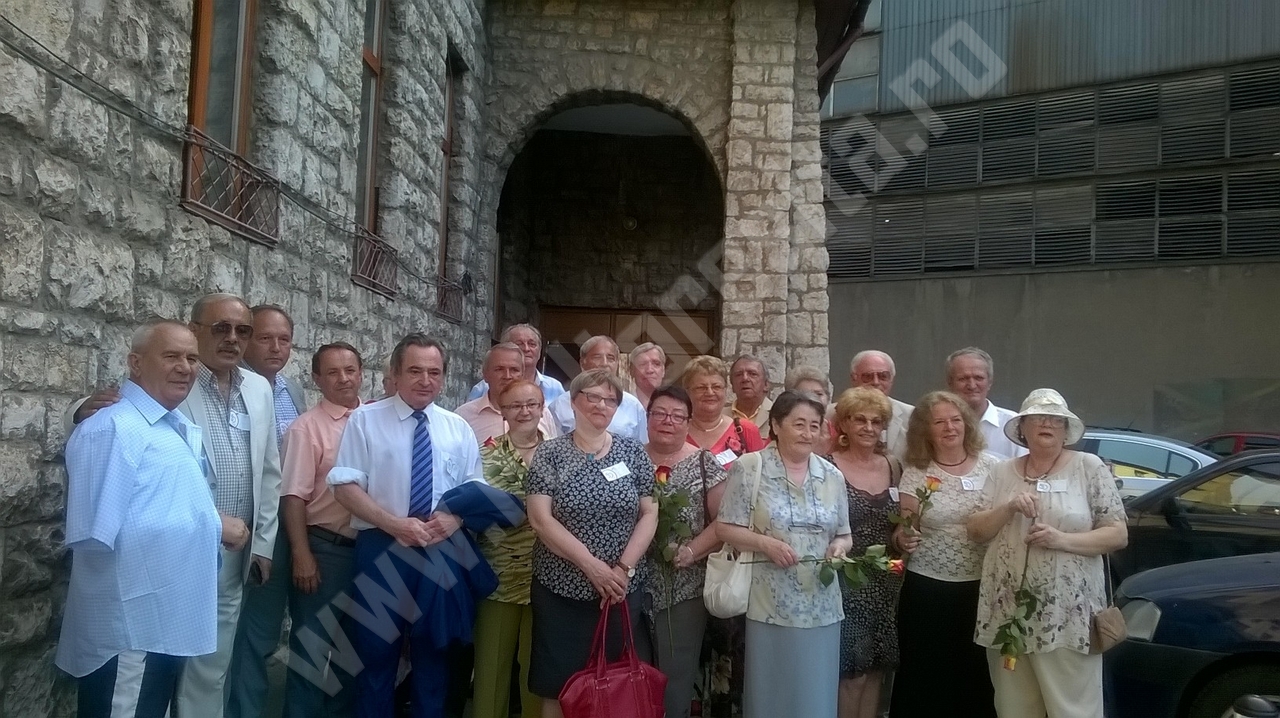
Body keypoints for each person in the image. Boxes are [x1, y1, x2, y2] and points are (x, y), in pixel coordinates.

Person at [64, 294, 284, 718]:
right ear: (196, 330)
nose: (232, 339)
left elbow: (269, 471)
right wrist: (214, 524)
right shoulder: (142, 408)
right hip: (144, 602)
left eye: (243, 330)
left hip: (219, 564)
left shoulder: (243, 393)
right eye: (220, 328)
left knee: (204, 667)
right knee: (139, 690)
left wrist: (260, 541)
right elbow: (104, 521)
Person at [327, 333, 485, 718]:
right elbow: (345, 487)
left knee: (434, 657)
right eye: (415, 371)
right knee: (375, 656)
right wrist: (395, 525)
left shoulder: (457, 428)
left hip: (441, 552)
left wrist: (454, 518)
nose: (425, 380)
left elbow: (474, 488)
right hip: (383, 548)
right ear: (395, 374)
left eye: (434, 372)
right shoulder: (365, 420)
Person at [967, 389, 1127, 718]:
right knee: (1013, 709)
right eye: (1038, 417)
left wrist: (1061, 539)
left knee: (1073, 710)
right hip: (1007, 612)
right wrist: (1009, 506)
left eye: (1056, 419)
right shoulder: (1001, 472)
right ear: (1022, 428)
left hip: (1067, 614)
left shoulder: (1088, 467)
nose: (1047, 424)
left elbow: (1118, 534)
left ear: (1066, 431)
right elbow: (976, 531)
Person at [525, 369, 658, 718]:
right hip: (560, 591)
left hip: (618, 592)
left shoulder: (633, 453)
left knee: (614, 681)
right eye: (593, 397)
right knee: (558, 684)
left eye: (610, 399)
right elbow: (540, 519)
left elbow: (649, 514)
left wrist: (622, 569)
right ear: (573, 402)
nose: (602, 405)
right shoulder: (550, 454)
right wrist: (592, 566)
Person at [716, 390, 853, 718]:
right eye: (799, 424)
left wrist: (839, 549)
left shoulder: (832, 475)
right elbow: (725, 528)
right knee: (773, 693)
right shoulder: (751, 467)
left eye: (814, 426)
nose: (807, 433)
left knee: (815, 693)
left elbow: (844, 534)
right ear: (776, 425)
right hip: (771, 603)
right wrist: (766, 544)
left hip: (822, 604)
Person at [889, 391, 997, 718]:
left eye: (955, 420)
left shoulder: (994, 467)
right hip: (928, 588)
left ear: (967, 424)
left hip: (980, 585)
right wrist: (903, 539)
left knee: (976, 673)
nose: (950, 428)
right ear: (926, 430)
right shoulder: (917, 471)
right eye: (939, 422)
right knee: (926, 674)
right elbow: (904, 529)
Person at [275, 342, 365, 717]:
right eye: (332, 372)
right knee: (312, 650)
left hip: (369, 550)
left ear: (361, 373)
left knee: (354, 653)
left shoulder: (374, 420)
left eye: (350, 370)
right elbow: (293, 496)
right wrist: (302, 554)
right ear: (316, 379)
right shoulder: (306, 429)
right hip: (326, 551)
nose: (343, 378)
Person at [226, 303, 307, 718]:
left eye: (284, 339)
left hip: (297, 527)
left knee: (277, 630)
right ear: (246, 340)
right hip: (255, 530)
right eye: (265, 338)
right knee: (253, 634)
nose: (276, 347)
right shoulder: (229, 385)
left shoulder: (292, 391)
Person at [643, 385, 728, 718]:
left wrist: (692, 550)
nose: (668, 421)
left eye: (678, 416)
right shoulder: (629, 458)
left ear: (689, 422)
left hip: (684, 584)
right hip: (629, 583)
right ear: (647, 417)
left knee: (674, 674)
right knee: (633, 669)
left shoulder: (705, 463)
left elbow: (724, 522)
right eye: (660, 413)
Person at [472, 379, 547, 718]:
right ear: (502, 411)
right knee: (491, 669)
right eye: (515, 405)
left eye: (531, 404)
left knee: (538, 671)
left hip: (549, 577)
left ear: (542, 408)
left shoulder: (561, 455)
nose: (524, 411)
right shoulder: (482, 455)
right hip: (498, 576)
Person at [825, 388, 902, 718]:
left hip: (886, 582)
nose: (869, 427)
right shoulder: (827, 466)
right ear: (844, 424)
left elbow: (900, 523)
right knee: (852, 674)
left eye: (876, 421)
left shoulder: (894, 466)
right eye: (860, 420)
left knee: (876, 671)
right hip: (846, 581)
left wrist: (905, 536)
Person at [545, 336, 647, 443]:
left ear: (617, 364)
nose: (604, 363)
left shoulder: (633, 406)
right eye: (597, 357)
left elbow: (643, 446)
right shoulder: (560, 405)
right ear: (582, 363)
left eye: (611, 358)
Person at [456, 343, 557, 444]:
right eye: (499, 369)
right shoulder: (464, 417)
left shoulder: (542, 413)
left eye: (514, 370)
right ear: (485, 374)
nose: (507, 376)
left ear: (522, 374)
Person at [682, 355, 768, 467]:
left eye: (716, 387)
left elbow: (761, 473)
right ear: (687, 392)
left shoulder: (746, 431)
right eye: (701, 388)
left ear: (725, 390)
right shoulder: (677, 430)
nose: (710, 393)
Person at [946, 347, 1026, 460]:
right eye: (963, 378)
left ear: (990, 382)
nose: (972, 385)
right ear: (950, 383)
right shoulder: (936, 425)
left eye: (978, 378)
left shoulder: (1013, 425)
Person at [468, 324, 566, 403]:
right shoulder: (484, 388)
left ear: (540, 350)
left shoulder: (555, 387)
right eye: (519, 344)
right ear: (505, 348)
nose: (526, 349)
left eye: (532, 344)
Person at [849, 350, 913, 459]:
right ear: (854, 379)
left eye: (883, 376)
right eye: (868, 376)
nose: (876, 382)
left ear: (891, 379)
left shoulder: (911, 415)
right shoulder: (835, 414)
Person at [727, 355, 772, 441]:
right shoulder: (719, 417)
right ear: (732, 385)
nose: (745, 378)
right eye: (739, 374)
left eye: (752, 374)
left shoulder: (779, 415)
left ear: (766, 384)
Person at [628, 341, 667, 408]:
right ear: (632, 371)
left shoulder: (673, 408)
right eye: (642, 364)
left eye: (656, 364)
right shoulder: (620, 406)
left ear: (663, 370)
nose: (649, 370)